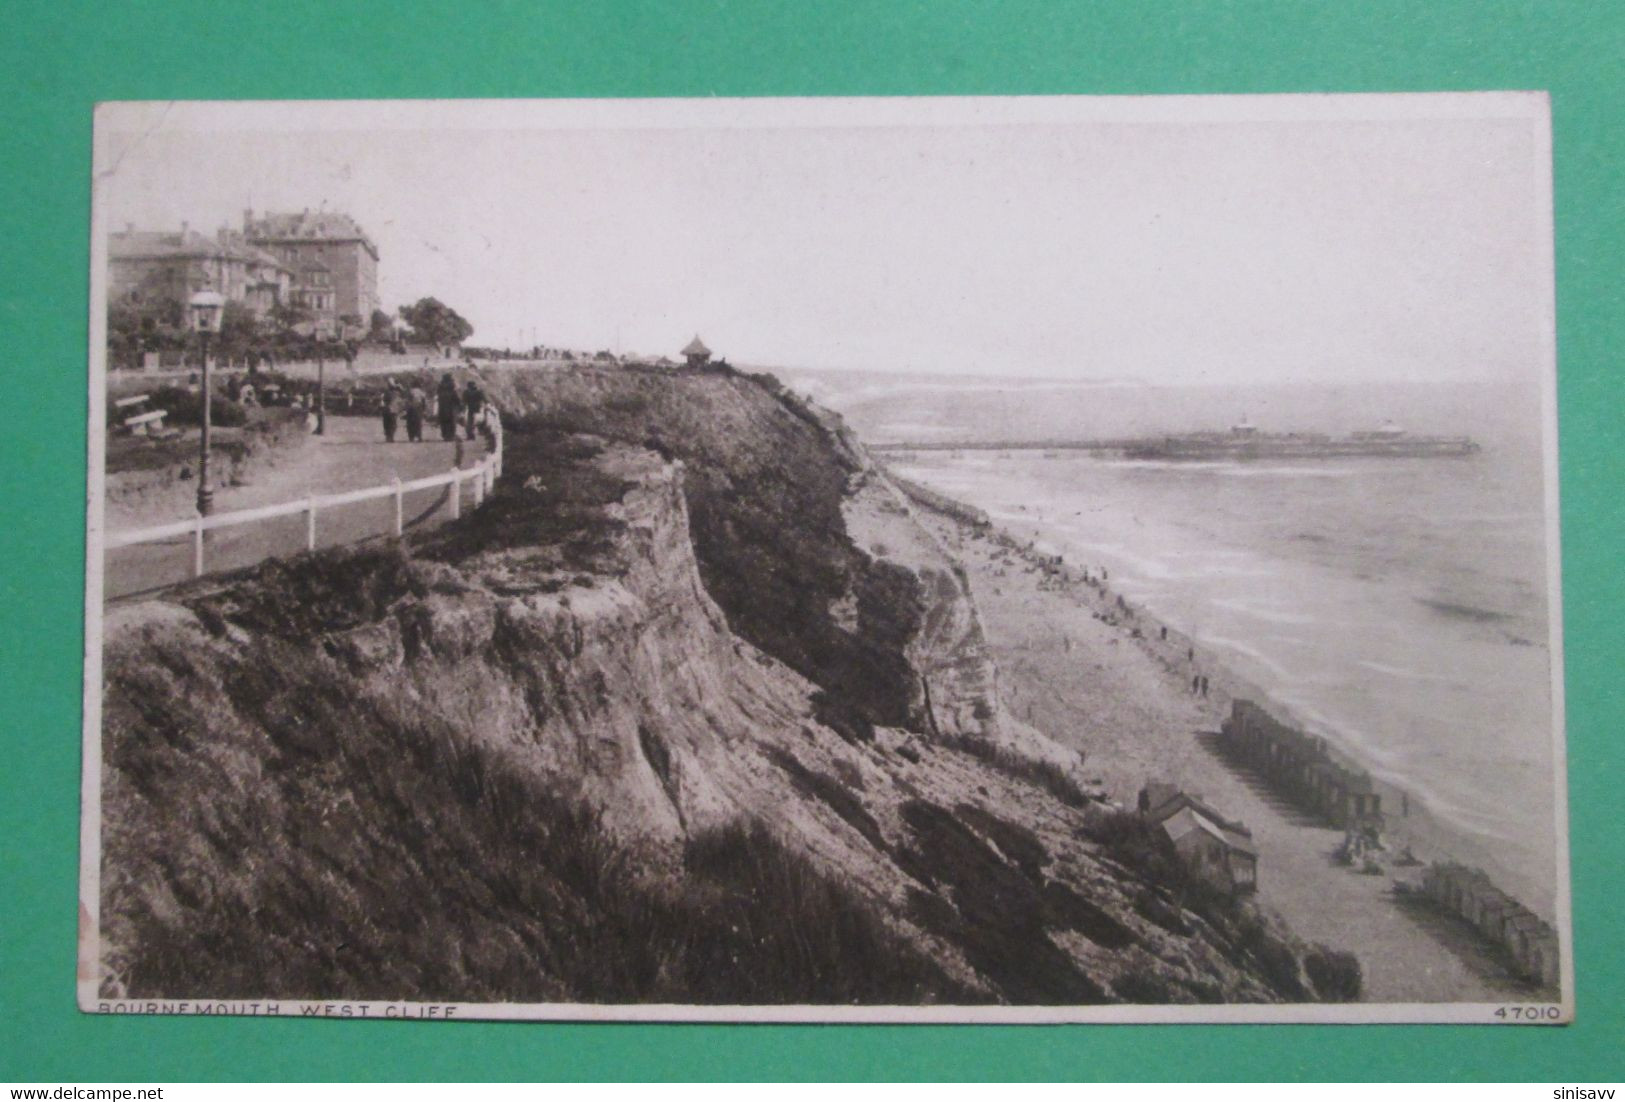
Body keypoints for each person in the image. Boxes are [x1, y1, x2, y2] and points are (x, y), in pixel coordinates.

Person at [435, 373, 461, 441]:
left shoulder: (440, 388)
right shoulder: (452, 389)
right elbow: (457, 400)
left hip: (442, 408)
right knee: (452, 422)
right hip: (451, 409)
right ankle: (451, 435)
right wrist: (460, 406)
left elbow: (437, 397)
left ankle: (445, 435)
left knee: (443, 422)